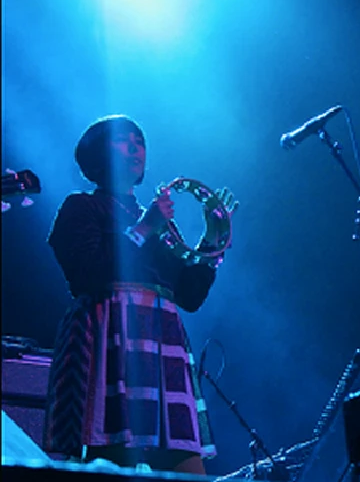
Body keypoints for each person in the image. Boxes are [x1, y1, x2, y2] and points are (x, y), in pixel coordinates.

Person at [43, 114, 237, 474]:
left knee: (184, 461)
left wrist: (214, 238)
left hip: (162, 343)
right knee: (111, 460)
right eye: (123, 139)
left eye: (140, 141)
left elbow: (189, 296)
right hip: (107, 340)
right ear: (97, 151)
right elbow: (89, 274)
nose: (135, 147)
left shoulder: (157, 222)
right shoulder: (81, 207)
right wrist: (145, 227)